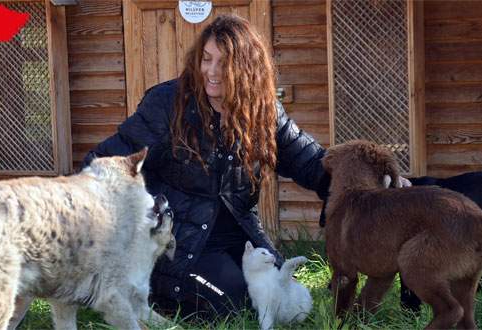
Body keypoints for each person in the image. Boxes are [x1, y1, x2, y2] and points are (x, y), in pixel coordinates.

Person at [82, 14, 326, 319]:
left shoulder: (263, 109)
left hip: (239, 235)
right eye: (206, 59)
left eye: (224, 63)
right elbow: (106, 163)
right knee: (237, 306)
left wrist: (377, 179)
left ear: (246, 69)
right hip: (178, 241)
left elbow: (310, 161)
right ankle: (152, 291)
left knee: (285, 299)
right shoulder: (167, 104)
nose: (212, 72)